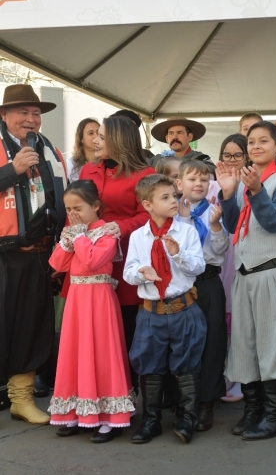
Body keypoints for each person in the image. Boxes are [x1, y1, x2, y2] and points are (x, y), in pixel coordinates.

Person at [217, 121, 276, 441]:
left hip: (270, 271)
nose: (255, 147)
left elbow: (274, 221)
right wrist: (228, 194)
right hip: (244, 272)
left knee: (273, 345)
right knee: (245, 346)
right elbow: (232, 226)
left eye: (263, 141)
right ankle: (254, 411)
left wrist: (255, 190)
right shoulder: (244, 180)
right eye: (251, 142)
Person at [0, 84, 67, 425]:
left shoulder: (49, 150)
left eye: (36, 114)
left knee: (32, 326)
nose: (31, 119)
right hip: (4, 254)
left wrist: (61, 252)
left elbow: (62, 200)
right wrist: (12, 170)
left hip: (41, 254)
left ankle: (21, 398)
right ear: (4, 115)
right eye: (23, 113)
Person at [48, 180, 135, 443]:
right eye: (68, 209)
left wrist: (79, 235)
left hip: (99, 301)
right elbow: (57, 264)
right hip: (76, 300)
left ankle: (109, 418)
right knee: (75, 352)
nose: (72, 214)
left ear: (95, 206)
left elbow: (92, 260)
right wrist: (72, 235)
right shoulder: (74, 232)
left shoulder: (107, 233)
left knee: (101, 352)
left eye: (78, 207)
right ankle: (75, 413)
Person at [124, 174, 206, 445]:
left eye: (174, 195)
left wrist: (177, 253)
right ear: (147, 204)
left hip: (183, 309)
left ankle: (187, 418)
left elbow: (198, 267)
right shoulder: (138, 236)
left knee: (187, 364)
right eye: (166, 197)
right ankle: (151, 420)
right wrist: (141, 272)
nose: (174, 201)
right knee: (149, 365)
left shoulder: (186, 231)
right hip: (151, 312)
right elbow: (128, 271)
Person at [79, 116, 156, 390]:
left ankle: (124, 395)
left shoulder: (144, 175)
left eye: (101, 135)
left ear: (119, 140)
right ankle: (90, 395)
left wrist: (118, 227)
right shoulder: (88, 171)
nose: (95, 140)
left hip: (123, 263)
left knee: (123, 331)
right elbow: (75, 209)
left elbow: (147, 216)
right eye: (94, 135)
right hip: (89, 262)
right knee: (91, 332)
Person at [176, 159, 229, 431]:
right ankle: (183, 402)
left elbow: (220, 252)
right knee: (181, 343)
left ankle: (207, 402)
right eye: (192, 179)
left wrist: (217, 226)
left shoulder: (214, 212)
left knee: (212, 342)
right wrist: (183, 220)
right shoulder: (173, 212)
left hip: (207, 282)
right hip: (180, 283)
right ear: (179, 184)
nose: (198, 184)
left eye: (204, 180)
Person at [217, 133, 249, 404]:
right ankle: (227, 376)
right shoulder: (214, 182)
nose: (231, 160)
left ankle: (241, 379)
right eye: (226, 155)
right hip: (221, 254)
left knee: (241, 318)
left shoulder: (249, 183)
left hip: (243, 251)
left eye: (237, 154)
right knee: (225, 320)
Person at [150, 116, 215, 173]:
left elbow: (212, 170)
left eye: (180, 133)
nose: (175, 137)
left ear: (189, 137)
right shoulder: (156, 160)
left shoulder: (201, 159)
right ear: (167, 138)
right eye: (171, 133)